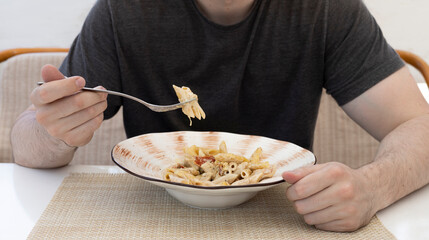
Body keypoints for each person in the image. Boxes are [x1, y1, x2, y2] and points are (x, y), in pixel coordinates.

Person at [10, 0, 429, 232]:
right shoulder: (125, 10)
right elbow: (29, 143)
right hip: (155, 219)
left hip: (285, 218)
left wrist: (373, 186)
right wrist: (51, 131)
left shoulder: (326, 10)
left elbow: (418, 126)